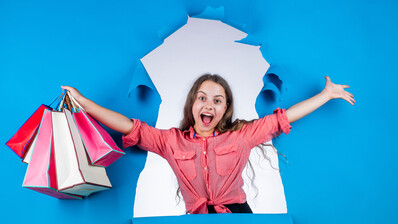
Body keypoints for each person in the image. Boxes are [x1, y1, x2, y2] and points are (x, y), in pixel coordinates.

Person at [62, 74, 354, 214]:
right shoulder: (170, 141)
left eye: (217, 100)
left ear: (224, 109)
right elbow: (129, 127)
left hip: (239, 217)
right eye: (202, 98)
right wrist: (85, 103)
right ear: (193, 104)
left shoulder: (241, 136)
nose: (209, 105)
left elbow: (282, 119)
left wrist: (326, 95)